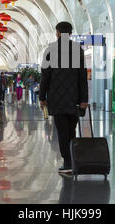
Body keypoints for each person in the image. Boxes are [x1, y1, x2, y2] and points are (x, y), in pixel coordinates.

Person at [39, 22, 88, 174]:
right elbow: (82, 77)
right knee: (72, 130)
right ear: (71, 33)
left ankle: (67, 161)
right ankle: (72, 159)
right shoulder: (77, 50)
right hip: (74, 99)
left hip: (56, 99)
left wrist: (42, 97)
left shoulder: (50, 50)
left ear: (58, 33)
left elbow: (45, 77)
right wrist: (84, 99)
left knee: (62, 131)